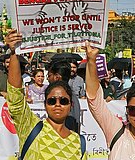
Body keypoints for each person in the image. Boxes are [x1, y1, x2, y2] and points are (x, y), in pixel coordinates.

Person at [5, 30, 86, 160]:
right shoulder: (32, 128)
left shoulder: (79, 142)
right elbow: (15, 97)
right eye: (52, 101)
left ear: (71, 105)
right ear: (45, 104)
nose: (58, 104)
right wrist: (14, 53)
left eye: (64, 101)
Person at [48, 59, 81, 133]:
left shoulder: (67, 98)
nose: (48, 79)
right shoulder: (72, 96)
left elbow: (70, 124)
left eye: (49, 76)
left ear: (57, 77)